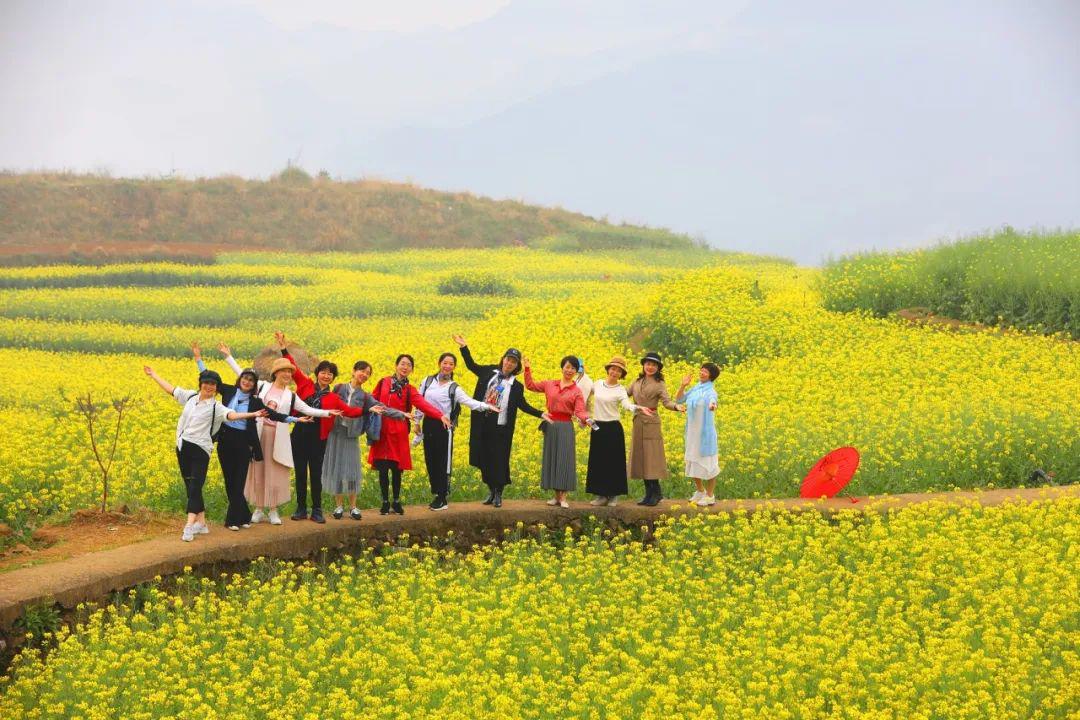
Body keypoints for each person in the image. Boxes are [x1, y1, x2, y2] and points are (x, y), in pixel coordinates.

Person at [191, 342, 311, 530]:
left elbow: (273, 414)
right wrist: (199, 359)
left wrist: (294, 420)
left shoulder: (255, 401)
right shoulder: (229, 391)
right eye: (244, 379)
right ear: (240, 380)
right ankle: (245, 516)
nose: (247, 382)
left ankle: (232, 521)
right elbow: (209, 379)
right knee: (231, 480)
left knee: (239, 481)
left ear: (255, 385)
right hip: (225, 441)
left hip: (244, 444)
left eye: (250, 380)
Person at [143, 365, 266, 541]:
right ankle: (202, 523)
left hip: (201, 449)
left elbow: (232, 415)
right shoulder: (191, 397)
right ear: (201, 384)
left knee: (195, 486)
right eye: (206, 383)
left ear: (217, 388)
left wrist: (252, 414)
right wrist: (153, 374)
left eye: (213, 384)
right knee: (190, 486)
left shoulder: (217, 407)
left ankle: (189, 525)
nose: (209, 386)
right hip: (183, 446)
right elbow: (171, 389)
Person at [453, 335, 544, 508]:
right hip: (483, 423)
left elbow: (522, 405)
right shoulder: (489, 372)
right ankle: (491, 490)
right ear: (503, 359)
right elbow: (471, 365)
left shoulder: (516, 386)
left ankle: (499, 493)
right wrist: (464, 347)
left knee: (499, 459)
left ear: (516, 366)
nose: (509, 364)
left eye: (513, 362)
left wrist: (541, 414)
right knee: (484, 458)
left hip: (501, 427)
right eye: (508, 360)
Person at [245, 357, 339, 525]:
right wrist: (228, 357)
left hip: (277, 437)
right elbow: (242, 376)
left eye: (290, 372)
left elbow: (307, 409)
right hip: (259, 435)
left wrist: (327, 413)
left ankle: (273, 510)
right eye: (284, 371)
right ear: (276, 373)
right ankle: (258, 509)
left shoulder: (291, 396)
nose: (288, 374)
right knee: (258, 471)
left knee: (274, 472)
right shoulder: (262, 386)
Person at [368, 354, 451, 515]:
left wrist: (439, 415)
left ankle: (397, 501)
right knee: (383, 467)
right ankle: (385, 502)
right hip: (382, 429)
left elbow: (423, 405)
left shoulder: (410, 390)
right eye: (402, 364)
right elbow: (372, 399)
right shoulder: (383, 382)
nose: (405, 367)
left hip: (399, 431)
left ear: (411, 370)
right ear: (396, 365)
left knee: (397, 467)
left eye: (408, 365)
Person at [321, 361, 404, 520]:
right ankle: (339, 506)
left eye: (368, 373)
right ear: (353, 371)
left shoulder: (365, 397)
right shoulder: (338, 388)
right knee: (337, 469)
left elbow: (382, 408)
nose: (364, 375)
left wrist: (401, 414)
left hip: (351, 435)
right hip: (336, 433)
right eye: (362, 371)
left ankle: (353, 507)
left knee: (352, 470)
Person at [413, 353, 497, 511]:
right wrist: (417, 421)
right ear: (439, 363)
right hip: (429, 424)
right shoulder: (427, 381)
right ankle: (436, 493)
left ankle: (442, 497)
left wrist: (486, 406)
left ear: (454, 367)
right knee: (430, 460)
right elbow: (420, 401)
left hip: (445, 427)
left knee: (443, 462)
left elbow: (469, 402)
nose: (447, 366)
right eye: (445, 363)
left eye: (451, 364)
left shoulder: (454, 387)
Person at [585, 355, 653, 506]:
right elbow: (584, 396)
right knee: (598, 461)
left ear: (622, 375)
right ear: (608, 369)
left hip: (613, 428)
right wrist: (585, 415)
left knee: (614, 462)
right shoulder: (597, 384)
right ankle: (601, 495)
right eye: (613, 369)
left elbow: (627, 405)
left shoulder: (620, 389)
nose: (614, 372)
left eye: (618, 371)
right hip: (597, 427)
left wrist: (639, 407)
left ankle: (614, 495)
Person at [523, 355, 589, 508]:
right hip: (551, 424)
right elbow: (530, 386)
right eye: (567, 367)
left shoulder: (576, 391)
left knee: (565, 459)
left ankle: (564, 497)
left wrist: (587, 419)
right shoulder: (549, 384)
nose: (569, 370)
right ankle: (556, 496)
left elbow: (580, 411)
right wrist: (527, 368)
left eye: (573, 368)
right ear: (562, 368)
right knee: (552, 458)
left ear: (576, 371)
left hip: (566, 426)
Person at [627, 352, 682, 506]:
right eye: (648, 364)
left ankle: (656, 493)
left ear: (658, 368)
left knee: (651, 458)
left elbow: (666, 402)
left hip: (651, 422)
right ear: (643, 365)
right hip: (638, 421)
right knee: (641, 458)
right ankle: (649, 494)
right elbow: (624, 394)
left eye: (653, 365)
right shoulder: (637, 381)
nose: (650, 367)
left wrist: (676, 407)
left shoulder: (659, 384)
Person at [676, 362, 721, 507]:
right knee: (692, 460)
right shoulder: (696, 388)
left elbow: (713, 401)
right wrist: (683, 385)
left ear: (711, 376)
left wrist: (712, 405)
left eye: (705, 372)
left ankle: (710, 495)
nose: (702, 373)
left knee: (709, 463)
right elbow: (679, 399)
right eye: (701, 371)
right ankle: (700, 491)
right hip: (692, 433)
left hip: (705, 434)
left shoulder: (711, 391)